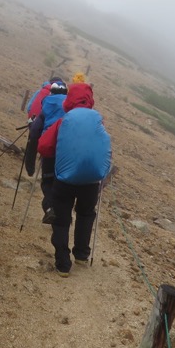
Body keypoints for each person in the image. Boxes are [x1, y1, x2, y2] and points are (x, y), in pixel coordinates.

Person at [37, 82, 112, 277]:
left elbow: (44, 146)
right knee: (86, 214)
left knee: (61, 220)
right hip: (91, 181)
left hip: (65, 179)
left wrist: (58, 153)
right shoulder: (98, 120)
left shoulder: (65, 120)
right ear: (90, 99)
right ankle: (81, 254)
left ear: (70, 99)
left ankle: (63, 264)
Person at [25, 80, 68, 223]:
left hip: (48, 148)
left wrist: (30, 165)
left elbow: (35, 132)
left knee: (47, 181)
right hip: (66, 150)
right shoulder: (71, 108)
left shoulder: (46, 107)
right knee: (61, 180)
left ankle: (49, 208)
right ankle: (62, 214)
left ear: (51, 92)